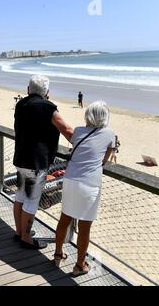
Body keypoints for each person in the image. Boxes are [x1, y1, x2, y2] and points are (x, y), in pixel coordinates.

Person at [54, 101, 116, 276]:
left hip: (70, 178)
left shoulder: (79, 131)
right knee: (85, 226)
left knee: (65, 218)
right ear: (105, 117)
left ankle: (58, 253)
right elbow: (104, 160)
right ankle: (80, 265)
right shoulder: (110, 134)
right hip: (89, 183)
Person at [13, 75, 73, 250]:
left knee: (20, 196)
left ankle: (19, 232)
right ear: (47, 92)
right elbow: (66, 129)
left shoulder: (20, 104)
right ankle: (26, 238)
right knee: (31, 200)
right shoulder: (47, 107)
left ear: (28, 89)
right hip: (36, 162)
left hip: (21, 158)